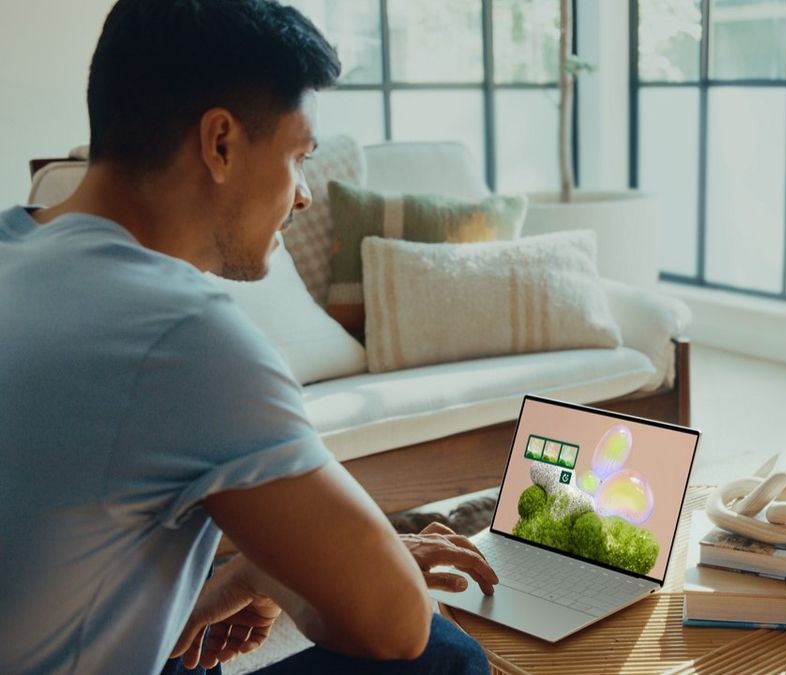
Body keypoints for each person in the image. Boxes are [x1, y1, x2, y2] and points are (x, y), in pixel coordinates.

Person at [0, 1, 498, 673]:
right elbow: (395, 622)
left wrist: (245, 576)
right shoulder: (180, 331)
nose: (303, 196)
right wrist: (291, 571)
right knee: (441, 655)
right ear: (221, 143)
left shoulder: (14, 242)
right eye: (299, 156)